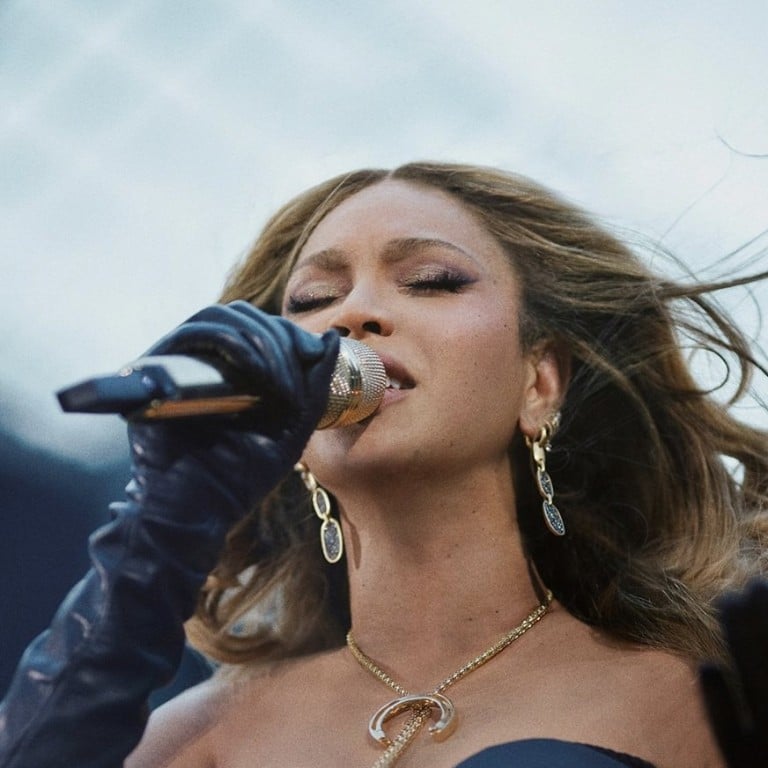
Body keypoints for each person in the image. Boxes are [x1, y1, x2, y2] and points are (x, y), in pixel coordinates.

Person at [0, 162, 766, 768]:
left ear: (541, 381)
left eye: (432, 281)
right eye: (311, 300)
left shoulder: (701, 692)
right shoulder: (203, 734)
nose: (351, 315)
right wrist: (164, 520)